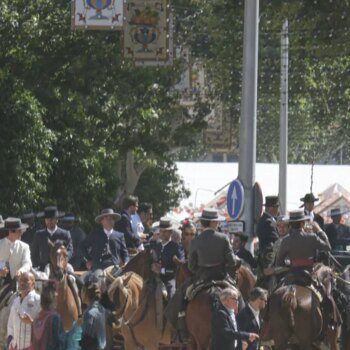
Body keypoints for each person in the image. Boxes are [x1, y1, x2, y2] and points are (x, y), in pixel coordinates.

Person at [189, 208, 241, 282]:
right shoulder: (223, 238)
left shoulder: (195, 241)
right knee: (237, 292)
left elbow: (191, 266)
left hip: (201, 277)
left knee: (187, 291)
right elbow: (232, 262)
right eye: (217, 221)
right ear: (212, 222)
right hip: (221, 277)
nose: (218, 223)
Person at [276, 210, 330, 279]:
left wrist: (291, 263)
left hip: (292, 275)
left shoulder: (286, 240)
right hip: (310, 274)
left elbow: (279, 263)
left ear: (290, 224)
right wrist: (319, 230)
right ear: (302, 224)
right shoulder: (312, 237)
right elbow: (328, 247)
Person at [82, 208, 129, 273]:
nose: (109, 220)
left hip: (115, 267)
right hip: (99, 267)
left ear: (114, 221)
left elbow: (125, 253)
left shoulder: (120, 235)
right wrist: (89, 260)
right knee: (97, 278)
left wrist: (126, 262)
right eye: (106, 218)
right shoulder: (95, 234)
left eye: (112, 218)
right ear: (102, 221)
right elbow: (82, 246)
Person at [151, 217, 185, 299]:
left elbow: (180, 266)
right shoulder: (156, 246)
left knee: (172, 295)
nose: (162, 233)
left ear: (171, 232)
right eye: (161, 230)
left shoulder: (176, 247)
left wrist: (162, 270)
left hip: (169, 279)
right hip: (154, 277)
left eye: (165, 231)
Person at [31, 206, 73, 271]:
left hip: (61, 265)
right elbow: (34, 253)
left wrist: (64, 258)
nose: (49, 222)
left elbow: (70, 250)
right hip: (43, 267)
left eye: (51, 219)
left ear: (57, 220)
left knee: (71, 276)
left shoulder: (65, 234)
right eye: (47, 220)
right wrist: (36, 265)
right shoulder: (39, 234)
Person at [7, 272, 41, 350]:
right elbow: (10, 325)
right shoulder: (16, 301)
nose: (22, 283)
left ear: (33, 284)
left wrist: (32, 322)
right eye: (20, 280)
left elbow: (46, 327)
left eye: (26, 280)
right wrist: (10, 343)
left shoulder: (39, 300)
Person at [31, 281, 65, 350]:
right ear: (54, 299)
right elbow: (60, 343)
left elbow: (32, 342)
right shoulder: (55, 318)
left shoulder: (36, 318)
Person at [0, 218, 31, 292]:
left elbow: (28, 263)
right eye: (19, 231)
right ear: (11, 232)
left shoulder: (24, 247)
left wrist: (21, 271)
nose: (22, 233)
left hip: (19, 285)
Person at [80, 274, 107, 350]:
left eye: (82, 289)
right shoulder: (101, 309)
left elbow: (87, 341)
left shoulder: (89, 314)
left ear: (85, 291)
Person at [257, 196, 279, 270]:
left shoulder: (266, 220)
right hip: (268, 257)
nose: (278, 210)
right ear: (271, 208)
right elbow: (276, 239)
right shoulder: (268, 222)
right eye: (277, 207)